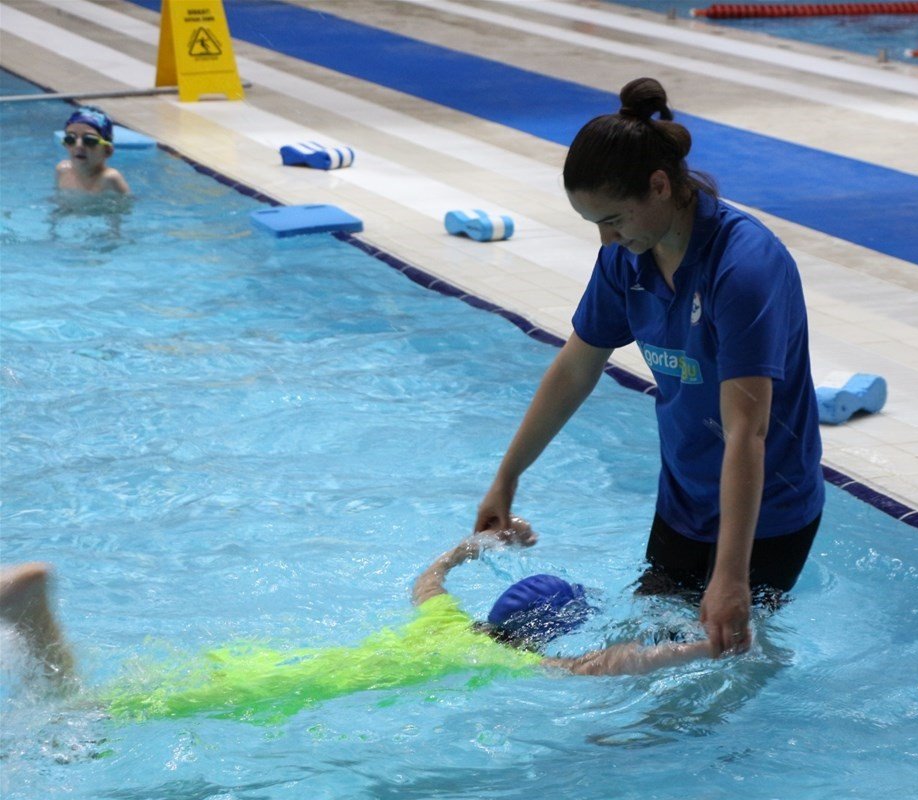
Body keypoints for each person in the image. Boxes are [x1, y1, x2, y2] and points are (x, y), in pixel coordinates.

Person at [475, 77, 824, 658]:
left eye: (613, 219)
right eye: (595, 225)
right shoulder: (626, 259)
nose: (606, 238)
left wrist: (731, 577)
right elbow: (575, 371)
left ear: (660, 186)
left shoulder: (743, 267)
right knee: (643, 645)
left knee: (724, 665)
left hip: (767, 510)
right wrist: (507, 477)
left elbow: (748, 430)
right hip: (685, 497)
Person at [0, 520, 710, 724]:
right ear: (545, 636)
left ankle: (33, 620)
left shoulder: (446, 627)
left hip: (264, 663)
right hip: (272, 695)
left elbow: (425, 580)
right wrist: (696, 647)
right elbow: (599, 666)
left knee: (89, 706)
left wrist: (471, 547)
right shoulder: (501, 663)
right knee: (81, 717)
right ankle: (33, 613)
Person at [55, 106, 130, 195]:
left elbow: (126, 207)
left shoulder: (110, 179)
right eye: (70, 139)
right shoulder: (62, 170)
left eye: (89, 140)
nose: (78, 145)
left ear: (107, 151)